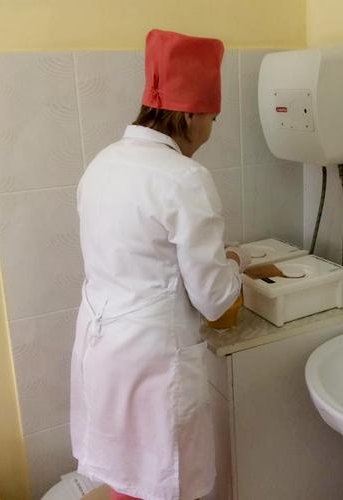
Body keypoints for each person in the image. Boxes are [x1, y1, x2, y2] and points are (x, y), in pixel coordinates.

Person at [70, 29, 250, 500]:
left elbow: (140, 257)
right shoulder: (184, 178)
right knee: (163, 480)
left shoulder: (103, 163)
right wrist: (235, 266)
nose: (209, 132)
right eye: (211, 119)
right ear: (189, 115)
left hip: (103, 351)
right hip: (153, 364)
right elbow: (217, 305)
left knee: (126, 477)